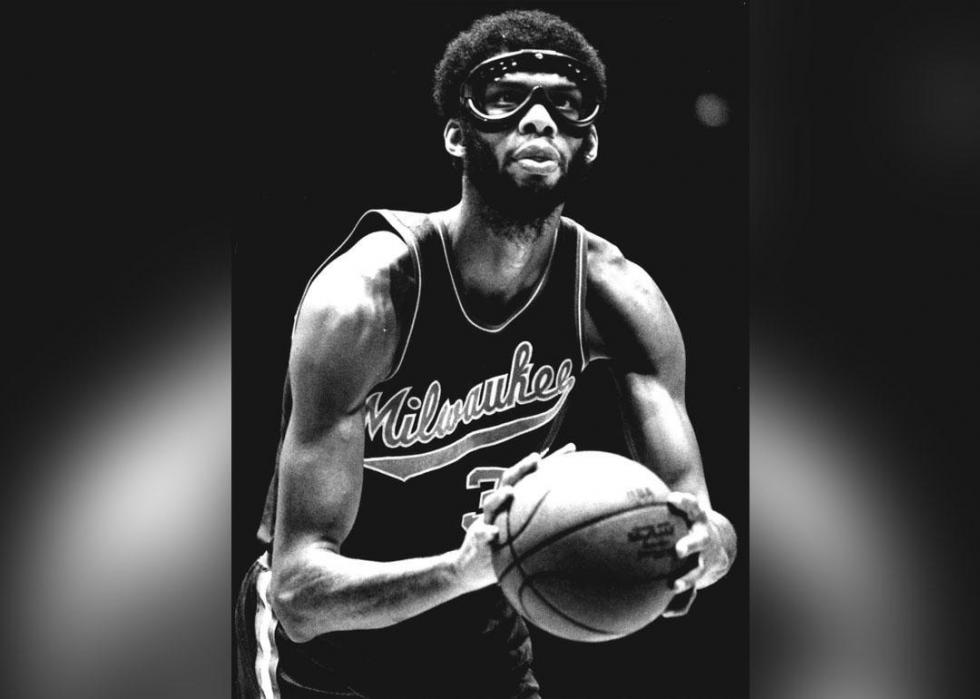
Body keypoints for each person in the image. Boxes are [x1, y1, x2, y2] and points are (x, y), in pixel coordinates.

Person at [235, 9, 736, 698]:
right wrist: (464, 567)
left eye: (564, 105)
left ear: (588, 143)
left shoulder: (617, 296)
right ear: (455, 135)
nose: (540, 121)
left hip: (478, 631)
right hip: (324, 654)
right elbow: (299, 594)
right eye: (507, 99)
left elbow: (702, 521)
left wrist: (706, 549)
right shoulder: (365, 298)